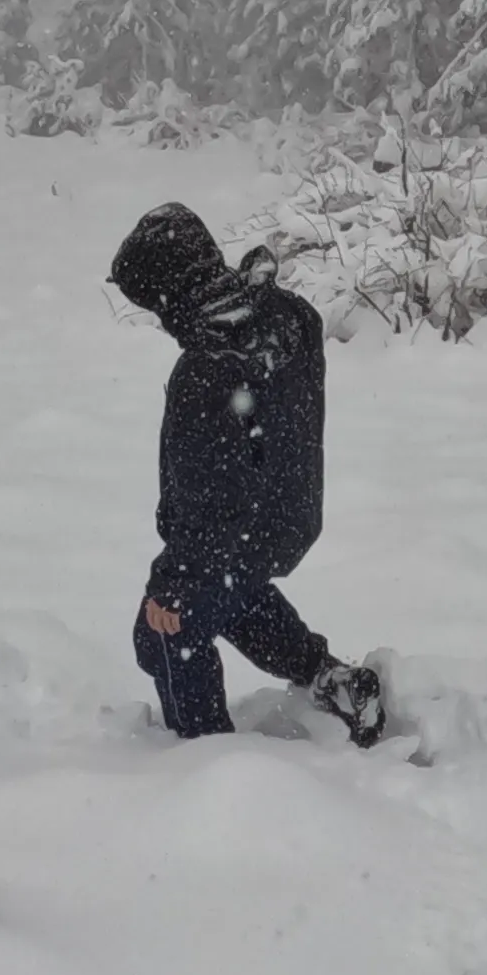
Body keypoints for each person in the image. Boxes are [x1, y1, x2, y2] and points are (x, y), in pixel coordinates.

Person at [107, 200, 385, 746]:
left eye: (154, 304)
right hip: (289, 517)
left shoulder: (204, 371)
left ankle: (210, 760)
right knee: (232, 589)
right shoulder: (288, 315)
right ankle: (328, 678)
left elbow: (208, 497)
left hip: (237, 524)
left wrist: (172, 586)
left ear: (171, 291)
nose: (159, 321)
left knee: (165, 629)